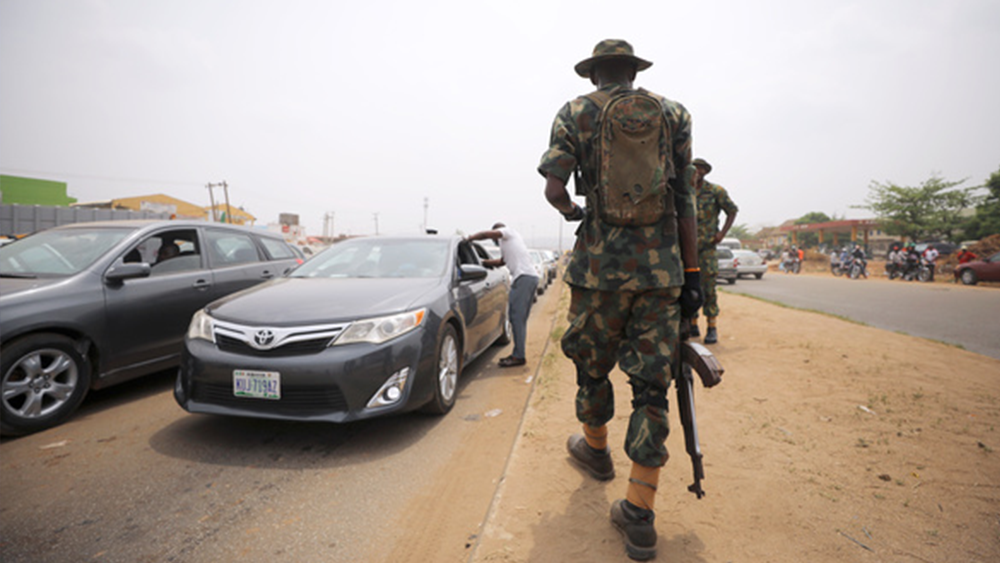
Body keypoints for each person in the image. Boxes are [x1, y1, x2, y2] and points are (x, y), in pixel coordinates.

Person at [538, 39, 702, 560]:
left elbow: (554, 188)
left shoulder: (576, 112)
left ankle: (597, 449)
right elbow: (686, 201)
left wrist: (572, 211)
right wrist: (692, 274)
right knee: (653, 386)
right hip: (662, 274)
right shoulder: (673, 114)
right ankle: (640, 513)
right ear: (633, 72)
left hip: (598, 272)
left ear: (594, 75)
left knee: (591, 366)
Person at [465, 223, 539, 368]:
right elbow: (500, 262)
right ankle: (518, 354)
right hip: (528, 278)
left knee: (516, 318)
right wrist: (483, 262)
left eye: (495, 236)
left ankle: (519, 356)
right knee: (519, 319)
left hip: (523, 278)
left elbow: (486, 234)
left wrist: (470, 238)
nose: (495, 240)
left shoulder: (508, 232)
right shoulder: (509, 245)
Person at [690, 157, 739, 344]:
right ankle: (692, 324)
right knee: (689, 286)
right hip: (687, 250)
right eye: (694, 168)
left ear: (706, 172)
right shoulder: (683, 191)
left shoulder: (715, 191)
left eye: (701, 169)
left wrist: (722, 234)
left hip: (707, 248)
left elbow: (732, 210)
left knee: (708, 288)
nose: (697, 172)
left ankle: (712, 328)